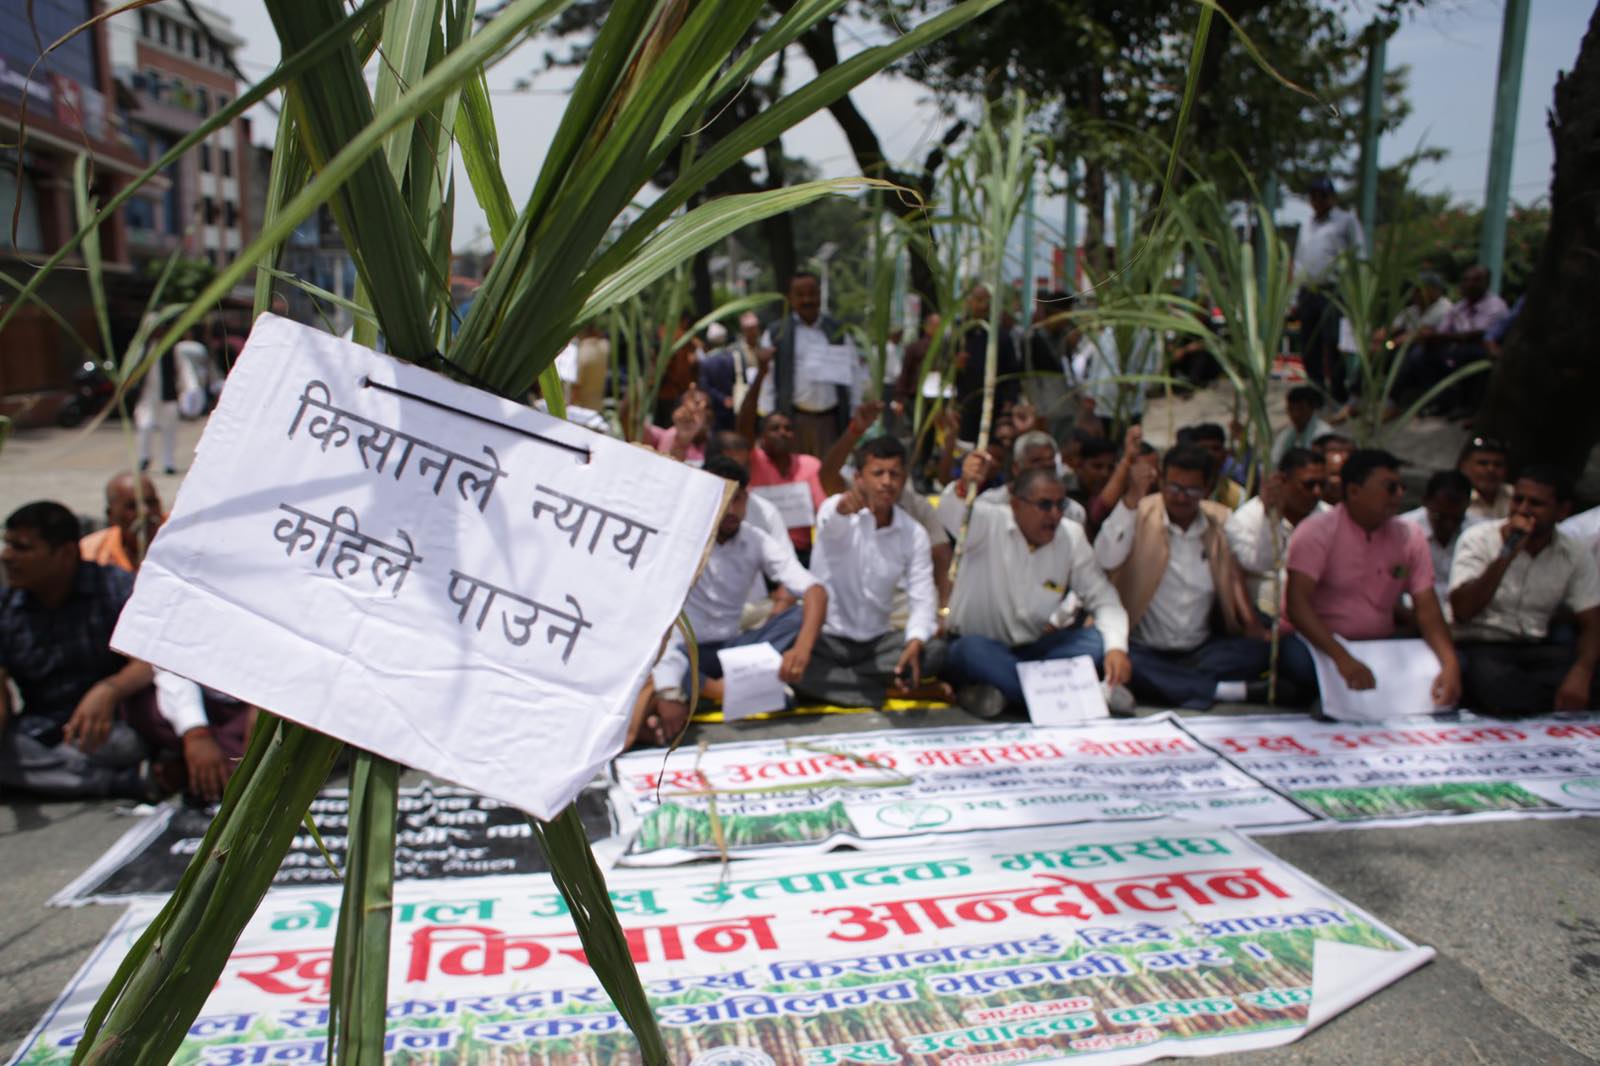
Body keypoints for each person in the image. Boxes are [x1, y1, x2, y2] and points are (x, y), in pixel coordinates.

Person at [643, 457, 829, 745]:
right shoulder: (681, 540)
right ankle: (726, 691)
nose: (730, 509)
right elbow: (657, 616)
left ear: (747, 500)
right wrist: (670, 688)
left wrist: (801, 650)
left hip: (733, 649)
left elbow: (815, 590)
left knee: (799, 617)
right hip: (685, 652)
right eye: (723, 499)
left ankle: (715, 692)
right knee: (658, 658)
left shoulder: (755, 540)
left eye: (737, 499)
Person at [938, 463, 1130, 717]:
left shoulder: (1070, 536)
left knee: (1096, 641)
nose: (1055, 514)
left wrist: (1116, 648)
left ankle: (1006, 694)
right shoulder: (988, 521)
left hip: (1033, 651)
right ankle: (1080, 697)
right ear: (1016, 505)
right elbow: (950, 513)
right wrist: (964, 484)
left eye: (1060, 505)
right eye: (1045, 505)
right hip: (980, 647)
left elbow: (1104, 598)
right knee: (971, 651)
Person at [1094, 446, 1271, 709]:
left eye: (1191, 491)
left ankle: (1173, 685)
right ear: (1161, 481)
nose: (1180, 498)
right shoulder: (1139, 511)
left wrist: (1268, 511)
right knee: (1107, 655)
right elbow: (1105, 558)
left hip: (1201, 650)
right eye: (1174, 487)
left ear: (1208, 488)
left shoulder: (1220, 519)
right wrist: (1131, 499)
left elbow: (1252, 563)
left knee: (1263, 650)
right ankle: (1226, 691)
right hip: (1145, 648)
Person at [1280, 449, 1461, 707]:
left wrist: (1450, 665)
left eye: (1401, 487)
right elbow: (1297, 606)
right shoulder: (1315, 532)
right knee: (1298, 664)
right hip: (1321, 643)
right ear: (1354, 491)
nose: (1399, 495)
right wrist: (1342, 658)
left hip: (1380, 645)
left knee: (1454, 662)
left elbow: (1427, 608)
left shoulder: (1410, 535)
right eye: (1390, 488)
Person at [0, 502, 156, 799]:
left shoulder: (112, 586)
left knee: (127, 743)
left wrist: (109, 690)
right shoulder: (7, 606)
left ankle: (61, 777)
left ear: (66, 552)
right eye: (7, 545)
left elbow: (150, 660)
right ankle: (117, 782)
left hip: (108, 726)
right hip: (39, 730)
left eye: (21, 548)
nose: (7, 556)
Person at [795, 437, 943, 708]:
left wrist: (915, 639)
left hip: (877, 643)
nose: (887, 482)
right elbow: (832, 523)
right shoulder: (836, 509)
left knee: (934, 651)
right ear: (859, 478)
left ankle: (843, 686)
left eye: (894, 474)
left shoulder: (914, 534)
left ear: (904, 479)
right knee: (788, 656)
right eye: (878, 473)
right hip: (826, 639)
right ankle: (888, 691)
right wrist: (842, 511)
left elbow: (922, 596)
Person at [1447, 467, 1600, 715]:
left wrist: (1581, 673)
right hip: (1482, 645)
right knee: (1498, 687)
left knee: (1588, 676)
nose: (1523, 510)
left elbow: (1592, 622)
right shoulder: (1478, 538)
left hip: (1536, 647)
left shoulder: (1574, 552)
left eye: (1536, 504)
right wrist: (1508, 552)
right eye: (1518, 500)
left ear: (1562, 511)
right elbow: (1463, 610)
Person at [1225, 448, 1328, 624]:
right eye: (1309, 484)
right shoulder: (1245, 519)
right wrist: (1270, 520)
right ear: (1282, 481)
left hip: (1319, 617)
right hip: (1265, 620)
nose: (1317, 492)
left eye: (1322, 484)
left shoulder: (1330, 518)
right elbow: (1257, 564)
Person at [763, 272, 856, 456]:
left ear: (820, 295)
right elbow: (767, 379)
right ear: (790, 298)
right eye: (800, 295)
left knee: (829, 472)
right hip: (792, 421)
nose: (807, 300)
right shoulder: (777, 333)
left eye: (812, 294)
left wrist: (854, 412)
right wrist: (769, 418)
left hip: (831, 422)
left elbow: (854, 373)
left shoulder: (839, 331)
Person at [736, 376, 827, 562]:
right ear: (761, 436)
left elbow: (825, 512)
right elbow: (744, 424)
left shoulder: (810, 465)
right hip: (759, 554)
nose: (782, 433)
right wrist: (761, 375)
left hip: (802, 554)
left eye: (788, 428)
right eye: (774, 428)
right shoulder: (753, 460)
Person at [1292, 177, 1365, 404]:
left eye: (1322, 196)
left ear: (1332, 198)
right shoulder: (1306, 225)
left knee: (1333, 341)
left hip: (1333, 291)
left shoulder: (1346, 221)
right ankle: (1316, 390)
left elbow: (1359, 255)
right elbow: (1299, 260)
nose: (1318, 200)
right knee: (1309, 344)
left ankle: (1338, 390)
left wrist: (1356, 292)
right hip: (1308, 291)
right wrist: (1294, 297)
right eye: (1313, 196)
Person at [1399, 470, 1479, 611]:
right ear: (1425, 501)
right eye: (1440, 517)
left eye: (1457, 519)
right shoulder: (1402, 531)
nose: (1449, 525)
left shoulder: (1479, 532)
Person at [953, 285, 1022, 442]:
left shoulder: (1001, 335)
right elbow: (942, 369)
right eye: (978, 300)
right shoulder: (959, 334)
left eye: (987, 301)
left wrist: (1009, 403)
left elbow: (1012, 373)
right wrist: (955, 366)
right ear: (969, 302)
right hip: (964, 405)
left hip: (994, 405)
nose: (983, 306)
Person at [81, 472, 164, 573]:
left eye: (151, 502)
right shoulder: (91, 554)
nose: (145, 512)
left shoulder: (179, 539)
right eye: (132, 506)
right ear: (111, 515)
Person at [1271, 386, 1333, 466]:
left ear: (1312, 408)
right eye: (1291, 409)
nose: (1295, 414)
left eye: (1301, 409)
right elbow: (1276, 459)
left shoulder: (1324, 433)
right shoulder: (1286, 434)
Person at [696, 322, 739, 432]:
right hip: (734, 405)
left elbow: (704, 386)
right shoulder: (734, 357)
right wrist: (730, 398)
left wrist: (722, 399)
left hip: (715, 407)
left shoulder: (706, 362)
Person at [1458, 436, 1511, 520]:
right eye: (1482, 463)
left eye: (1497, 464)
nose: (1491, 469)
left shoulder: (1516, 496)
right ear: (1464, 467)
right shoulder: (1456, 499)